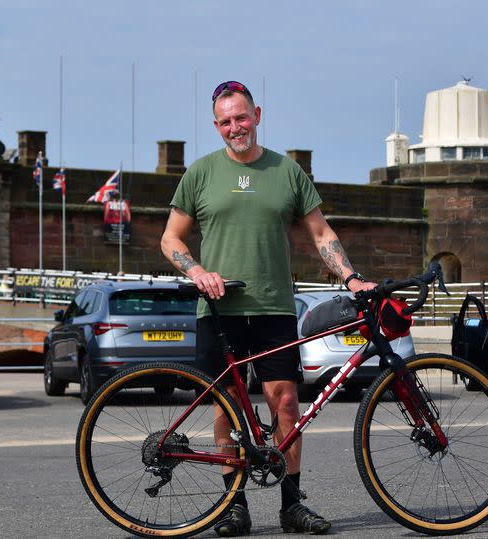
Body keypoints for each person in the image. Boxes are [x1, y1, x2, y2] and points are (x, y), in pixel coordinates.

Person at [161, 80, 376, 537]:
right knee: (227, 408)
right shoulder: (200, 173)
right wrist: (197, 270)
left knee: (286, 404)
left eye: (241, 117)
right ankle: (232, 504)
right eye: (225, 121)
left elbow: (321, 234)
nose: (234, 127)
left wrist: (352, 277)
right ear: (215, 125)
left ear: (257, 114)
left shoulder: (287, 172)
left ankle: (291, 503)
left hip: (275, 307)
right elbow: (170, 238)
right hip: (219, 310)